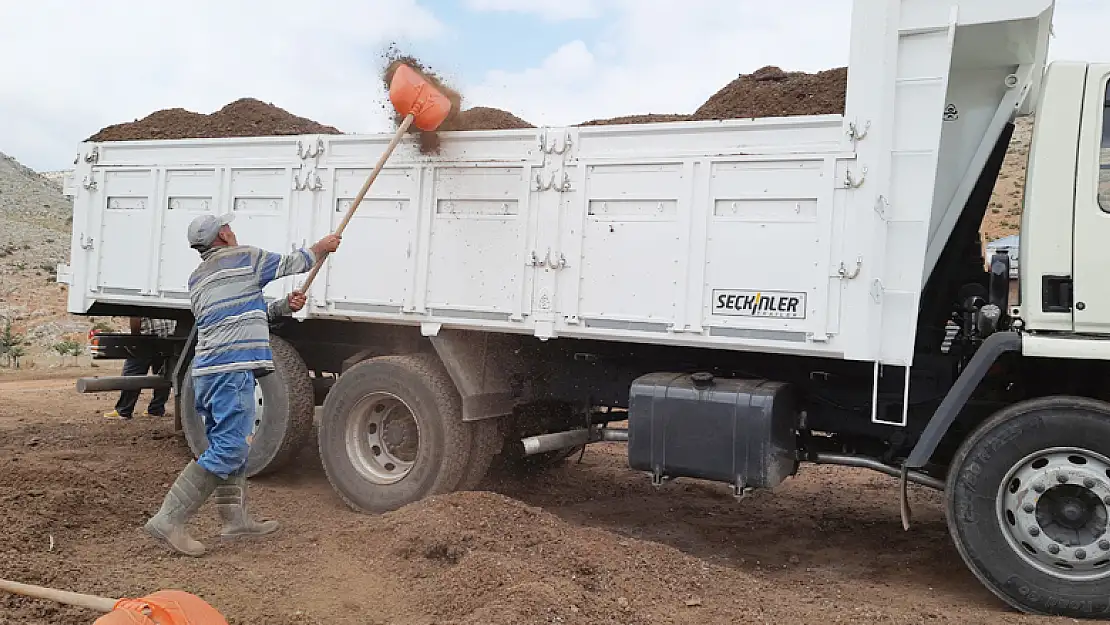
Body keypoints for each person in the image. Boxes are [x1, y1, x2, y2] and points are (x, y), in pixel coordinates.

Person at [143, 213, 340, 557]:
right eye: (227, 226)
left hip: (206, 372)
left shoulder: (199, 278)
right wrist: (322, 248)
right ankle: (169, 519)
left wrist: (282, 306)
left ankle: (235, 520)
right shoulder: (245, 258)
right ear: (222, 234)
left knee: (231, 442)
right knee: (231, 447)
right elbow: (294, 262)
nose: (232, 230)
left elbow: (242, 314)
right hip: (230, 372)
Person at [103, 316, 176, 420]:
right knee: (163, 375)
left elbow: (135, 316)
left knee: (131, 374)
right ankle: (156, 410)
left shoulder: (143, 299)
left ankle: (124, 410)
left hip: (146, 338)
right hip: (168, 337)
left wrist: (135, 339)